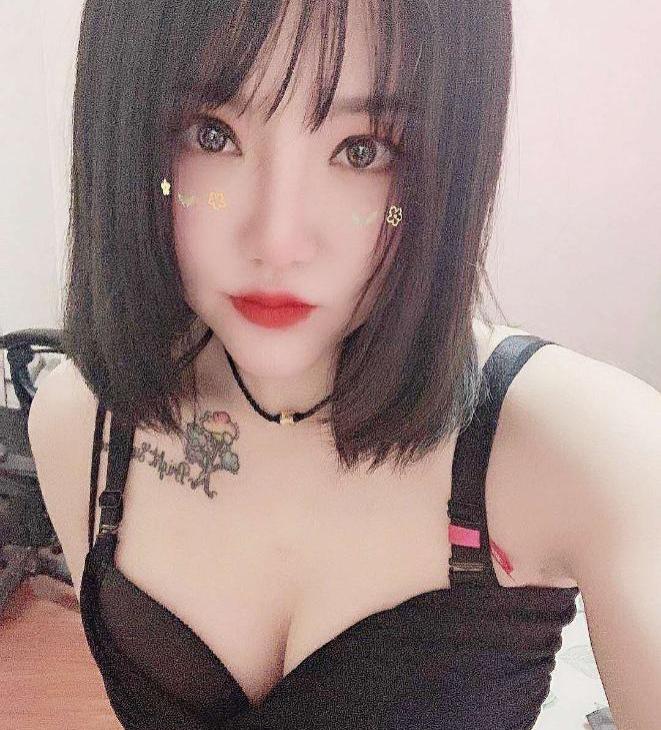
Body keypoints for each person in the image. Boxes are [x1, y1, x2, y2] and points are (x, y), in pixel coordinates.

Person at [27, 0, 661, 728]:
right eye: (212, 135)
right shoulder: (81, 424)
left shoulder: (594, 451)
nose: (278, 241)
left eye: (363, 150)